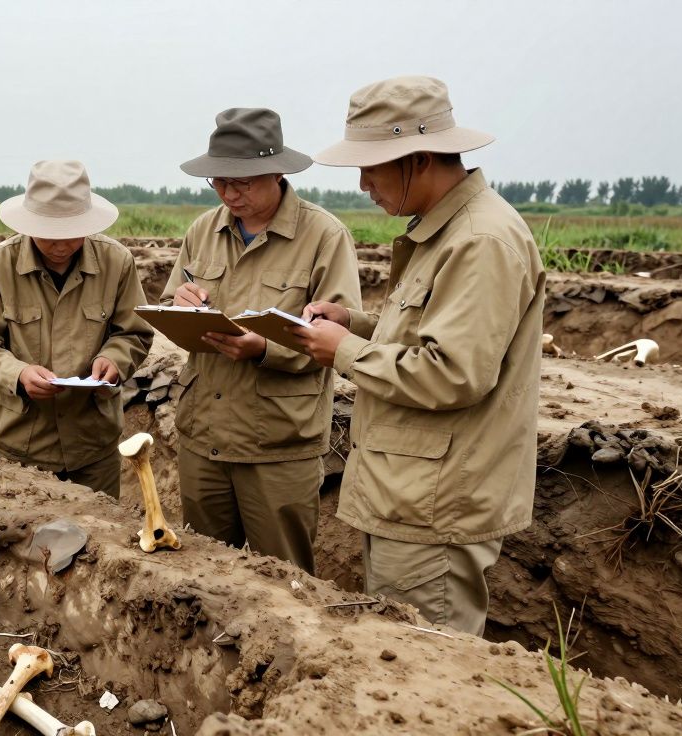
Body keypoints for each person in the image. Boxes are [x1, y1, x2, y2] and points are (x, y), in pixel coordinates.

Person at [293, 76, 545, 635]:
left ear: (421, 158)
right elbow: (429, 335)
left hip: (435, 505)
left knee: (426, 659)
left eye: (372, 168)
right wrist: (355, 323)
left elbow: (453, 373)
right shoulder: (448, 231)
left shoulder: (480, 240)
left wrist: (346, 351)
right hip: (410, 492)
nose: (363, 185)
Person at [159, 108, 361, 573]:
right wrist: (181, 304)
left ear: (277, 172)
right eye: (219, 182)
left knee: (283, 581)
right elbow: (173, 297)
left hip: (277, 444)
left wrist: (265, 348)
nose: (229, 193)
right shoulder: (203, 230)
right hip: (203, 435)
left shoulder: (323, 236)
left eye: (243, 182)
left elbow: (338, 335)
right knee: (202, 574)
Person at [0, 160, 153, 497]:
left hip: (93, 449)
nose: (61, 245)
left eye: (72, 233)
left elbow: (134, 332)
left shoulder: (116, 263)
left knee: (98, 544)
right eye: (50, 234)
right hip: (20, 452)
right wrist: (18, 374)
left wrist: (115, 360)